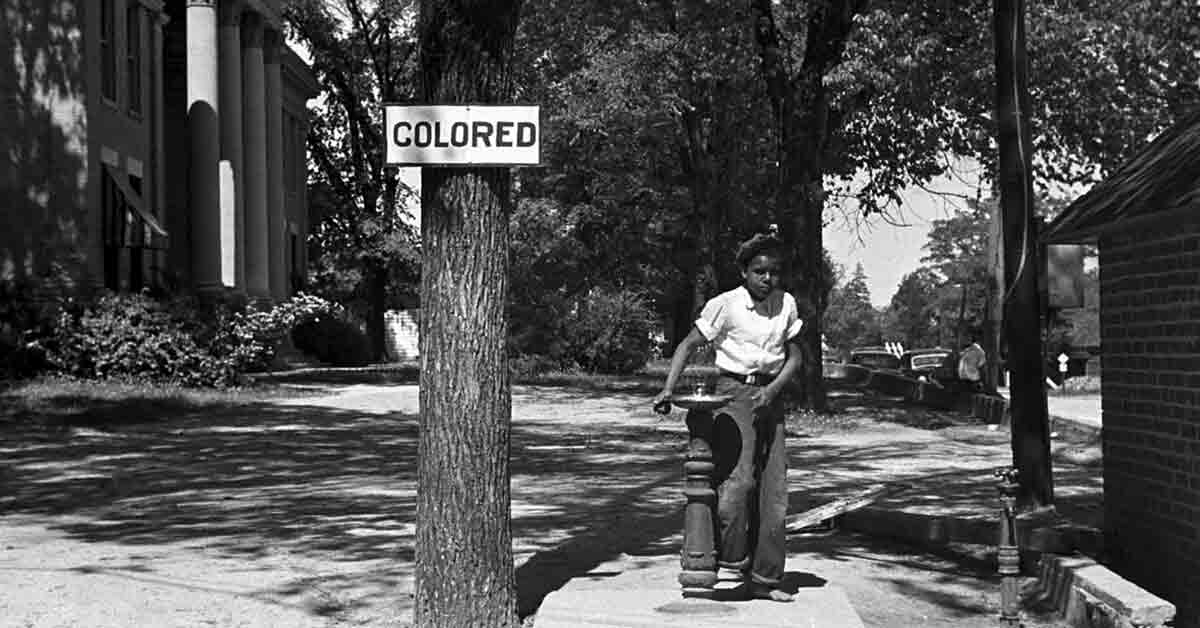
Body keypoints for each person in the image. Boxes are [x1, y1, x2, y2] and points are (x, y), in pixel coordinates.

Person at [652, 233, 804, 602]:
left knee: (774, 490)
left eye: (773, 272)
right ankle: (731, 558)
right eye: (759, 271)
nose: (767, 279)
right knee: (737, 487)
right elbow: (688, 345)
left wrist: (773, 390)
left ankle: (765, 580)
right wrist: (667, 389)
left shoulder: (787, 305)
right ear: (744, 272)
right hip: (732, 393)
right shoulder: (726, 305)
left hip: (771, 394)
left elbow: (796, 356)